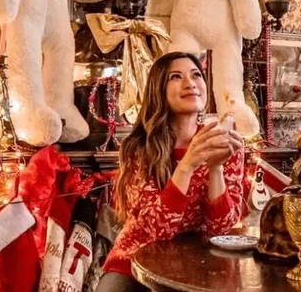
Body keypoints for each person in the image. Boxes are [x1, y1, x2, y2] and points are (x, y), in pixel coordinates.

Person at [97, 52, 249, 291]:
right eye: (176, 77)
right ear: (159, 89)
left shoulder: (222, 143)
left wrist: (216, 168)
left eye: (196, 75)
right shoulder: (139, 147)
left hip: (198, 265)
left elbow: (220, 230)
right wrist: (187, 165)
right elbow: (158, 229)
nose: (190, 83)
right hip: (135, 262)